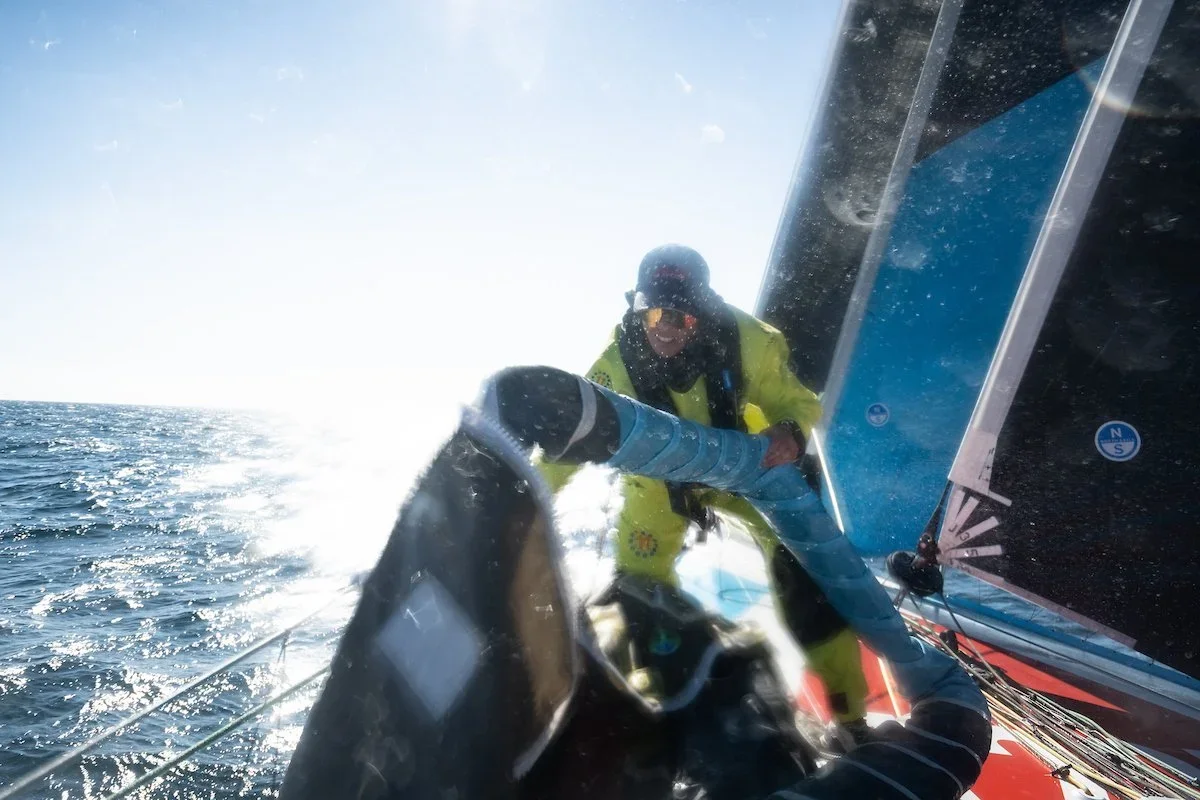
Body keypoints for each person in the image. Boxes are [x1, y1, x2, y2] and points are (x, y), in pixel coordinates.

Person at [535, 243, 873, 747]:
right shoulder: (614, 364)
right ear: (637, 306)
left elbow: (797, 402)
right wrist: (526, 496)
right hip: (662, 482)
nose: (666, 327)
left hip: (751, 469)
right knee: (639, 581)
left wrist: (790, 430)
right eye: (653, 311)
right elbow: (572, 441)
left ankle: (851, 718)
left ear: (704, 312)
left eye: (683, 317)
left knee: (804, 580)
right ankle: (657, 709)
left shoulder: (749, 342)